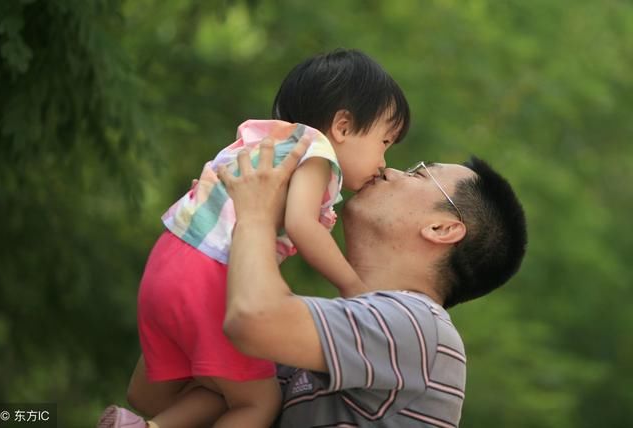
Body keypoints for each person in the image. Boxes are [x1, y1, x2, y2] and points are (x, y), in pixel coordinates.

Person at [97, 49, 410, 428]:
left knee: (182, 392)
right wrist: (354, 287)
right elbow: (301, 225)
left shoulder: (264, 144)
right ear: (342, 127)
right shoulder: (315, 154)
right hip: (210, 276)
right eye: (385, 142)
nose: (384, 163)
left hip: (168, 261)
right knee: (259, 403)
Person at [215, 138, 527, 427]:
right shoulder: (357, 332)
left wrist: (255, 214)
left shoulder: (419, 326)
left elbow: (252, 318)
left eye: (418, 174)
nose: (387, 170)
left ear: (441, 228)